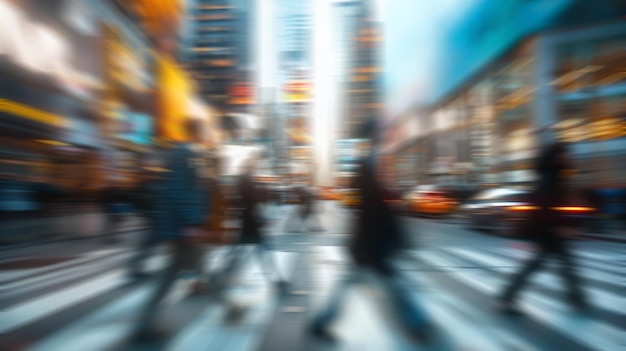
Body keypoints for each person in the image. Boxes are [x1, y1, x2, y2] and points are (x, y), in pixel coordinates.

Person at [309, 129, 433, 344]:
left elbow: (376, 204)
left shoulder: (370, 169)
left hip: (368, 246)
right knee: (393, 286)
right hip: (370, 246)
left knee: (382, 286)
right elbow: (377, 209)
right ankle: (416, 323)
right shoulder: (370, 170)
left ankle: (417, 322)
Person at [133, 119, 209, 340]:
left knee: (178, 273)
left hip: (179, 227)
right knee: (190, 272)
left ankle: (144, 323)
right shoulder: (185, 154)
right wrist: (190, 223)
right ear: (197, 130)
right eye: (203, 129)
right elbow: (181, 192)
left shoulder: (183, 153)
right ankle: (231, 307)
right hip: (183, 229)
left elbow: (183, 191)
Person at [497, 142, 589, 314]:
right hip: (549, 229)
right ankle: (508, 296)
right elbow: (546, 204)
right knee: (555, 264)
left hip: (548, 228)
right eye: (566, 153)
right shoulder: (551, 176)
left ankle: (576, 299)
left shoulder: (556, 173)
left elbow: (555, 203)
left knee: (554, 264)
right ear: (557, 157)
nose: (570, 156)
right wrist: (558, 226)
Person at [215, 161, 288, 322]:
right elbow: (252, 207)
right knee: (262, 254)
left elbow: (245, 206)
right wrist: (262, 220)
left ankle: (221, 279)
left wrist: (260, 219)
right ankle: (276, 281)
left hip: (247, 227)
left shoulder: (240, 185)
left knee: (241, 255)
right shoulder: (247, 184)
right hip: (252, 228)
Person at [127, 152, 165, 280]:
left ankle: (135, 267)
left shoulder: (148, 185)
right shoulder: (155, 186)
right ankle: (134, 268)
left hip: (153, 218)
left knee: (149, 246)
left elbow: (137, 200)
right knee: (148, 246)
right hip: (156, 219)